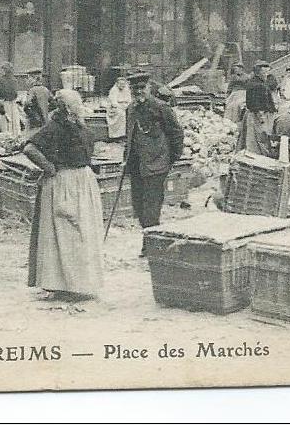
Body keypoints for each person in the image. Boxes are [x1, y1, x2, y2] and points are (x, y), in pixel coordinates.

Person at [22, 88, 104, 300]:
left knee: (82, 232)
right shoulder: (55, 127)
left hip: (82, 182)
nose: (81, 107)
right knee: (66, 233)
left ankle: (80, 282)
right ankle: (64, 284)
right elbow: (30, 149)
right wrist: (49, 168)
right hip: (64, 183)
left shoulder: (78, 125)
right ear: (68, 108)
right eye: (78, 104)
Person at [123, 72, 185, 253]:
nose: (139, 92)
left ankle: (151, 245)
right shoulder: (131, 109)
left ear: (149, 88)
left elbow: (176, 133)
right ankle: (149, 239)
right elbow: (129, 137)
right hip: (136, 165)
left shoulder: (161, 108)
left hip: (156, 164)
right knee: (139, 206)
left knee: (151, 207)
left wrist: (170, 158)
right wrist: (126, 159)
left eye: (142, 88)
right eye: (135, 89)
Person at [238, 62, 279, 153]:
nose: (266, 75)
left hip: (253, 114)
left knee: (250, 136)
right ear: (259, 73)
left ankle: (250, 152)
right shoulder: (260, 86)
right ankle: (260, 154)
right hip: (260, 115)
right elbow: (260, 104)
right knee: (261, 136)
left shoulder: (252, 82)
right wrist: (262, 117)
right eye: (265, 73)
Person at [0, 63, 23, 137]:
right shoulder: (14, 80)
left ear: (4, 70)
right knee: (14, 122)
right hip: (13, 103)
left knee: (4, 122)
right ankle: (14, 135)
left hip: (4, 103)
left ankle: (6, 136)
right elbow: (15, 93)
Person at [105, 72, 132, 141]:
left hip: (124, 106)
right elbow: (113, 102)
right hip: (115, 107)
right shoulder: (114, 90)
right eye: (120, 84)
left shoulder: (126, 89)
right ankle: (117, 136)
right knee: (120, 113)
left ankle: (125, 134)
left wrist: (126, 105)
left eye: (123, 84)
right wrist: (121, 107)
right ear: (117, 84)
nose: (122, 85)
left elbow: (129, 100)